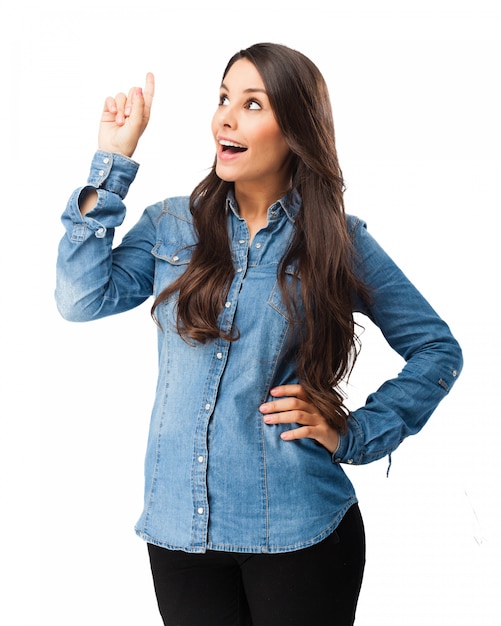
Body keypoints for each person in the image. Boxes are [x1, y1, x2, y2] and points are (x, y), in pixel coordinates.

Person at [55, 43, 463, 626]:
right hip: (179, 533)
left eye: (252, 104)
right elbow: (78, 297)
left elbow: (436, 349)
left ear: (295, 130)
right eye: (224, 97)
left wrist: (356, 433)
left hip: (299, 530)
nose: (226, 115)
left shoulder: (336, 241)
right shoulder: (172, 225)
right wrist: (111, 163)